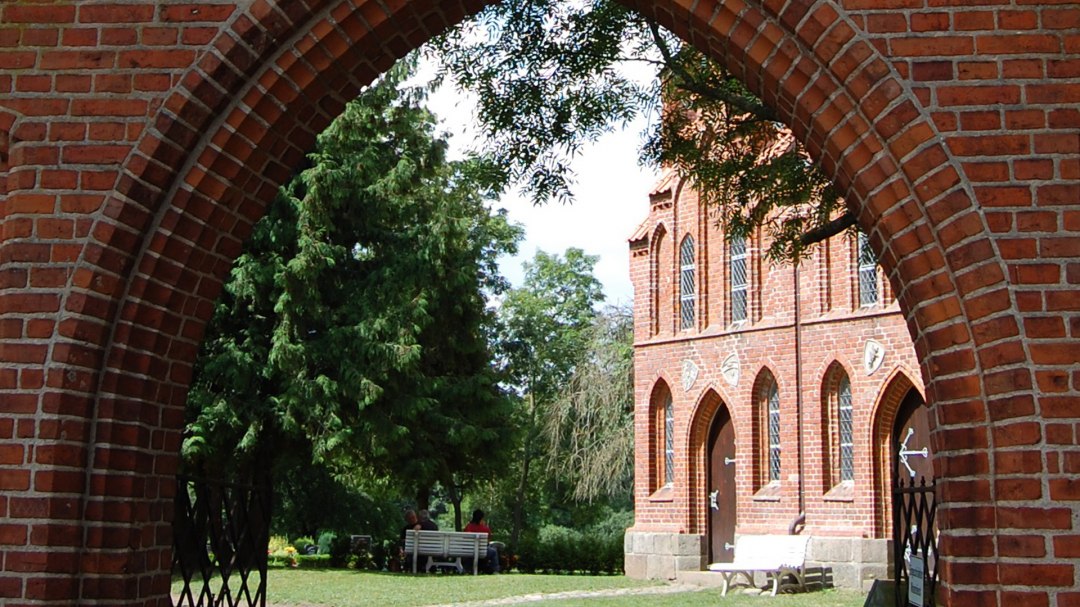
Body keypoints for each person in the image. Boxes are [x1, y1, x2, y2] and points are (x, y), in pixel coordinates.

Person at [464, 509, 501, 573]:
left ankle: (467, 569)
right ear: (481, 518)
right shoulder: (485, 528)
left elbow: (464, 538)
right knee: (494, 552)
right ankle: (495, 570)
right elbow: (488, 541)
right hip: (482, 552)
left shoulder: (468, 527)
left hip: (469, 551)